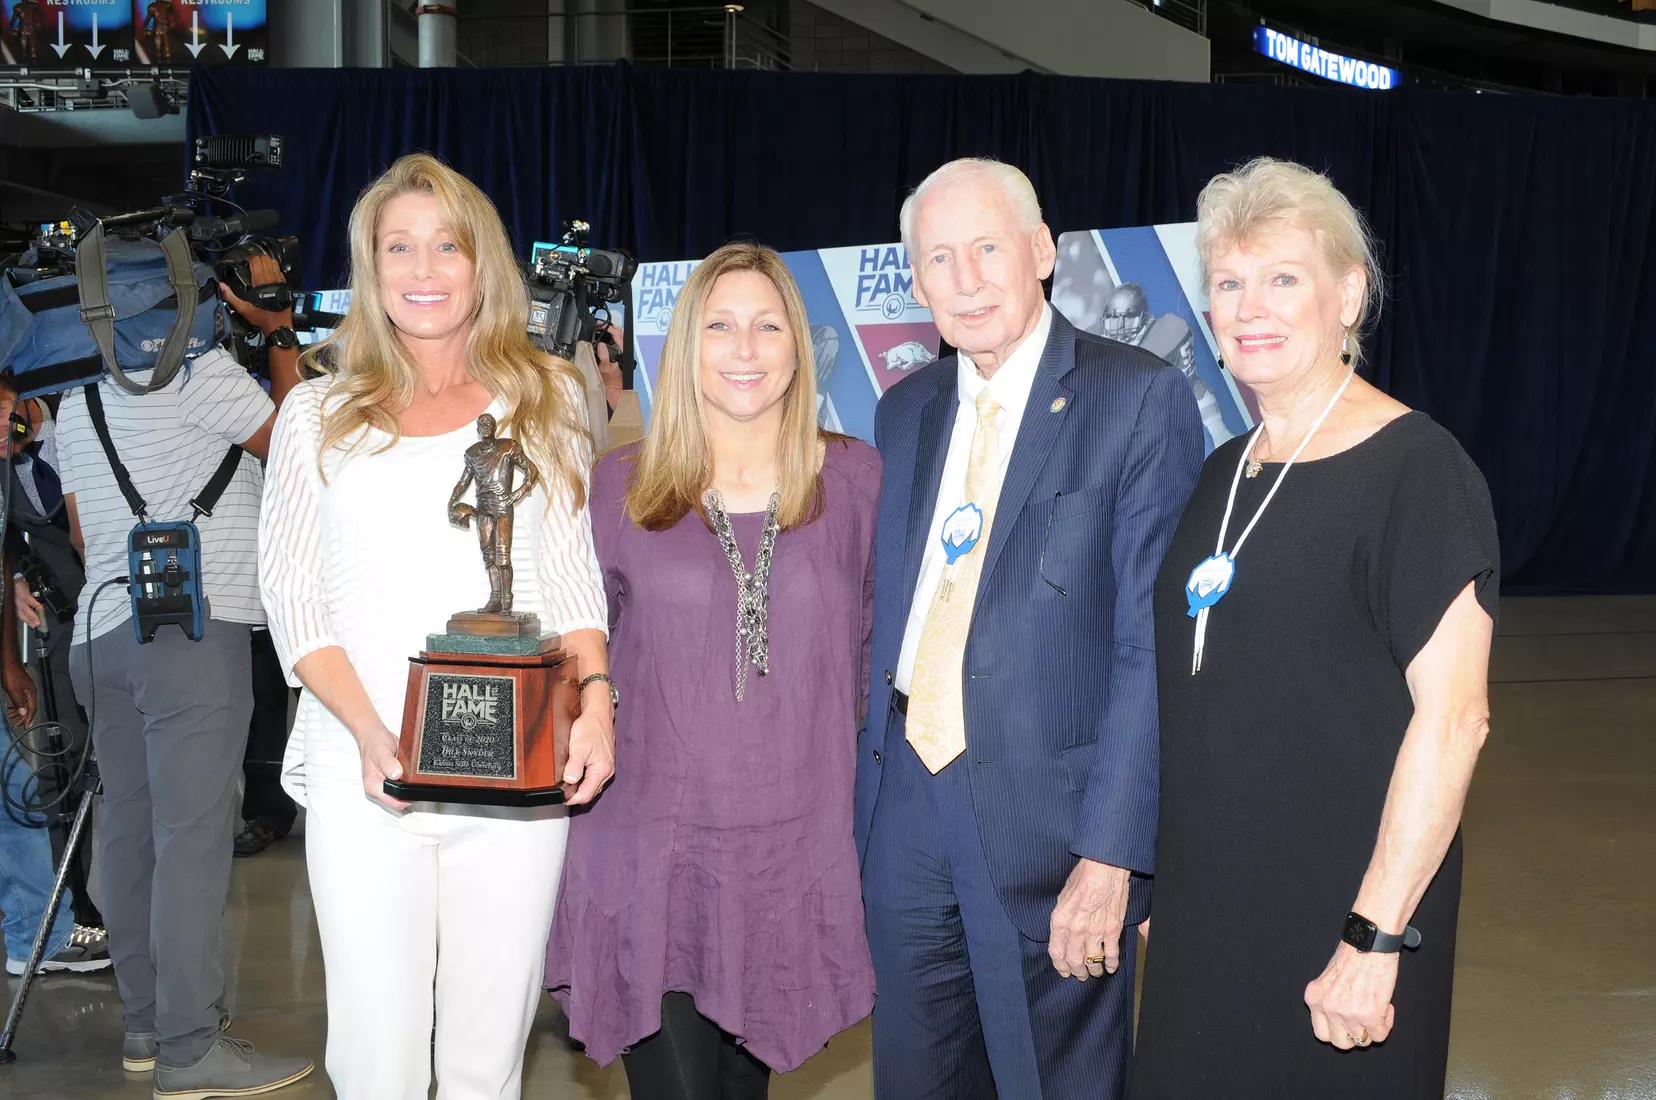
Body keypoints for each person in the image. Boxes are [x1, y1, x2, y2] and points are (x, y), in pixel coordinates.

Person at [1131, 158, 1499, 1100]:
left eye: (1283, 278)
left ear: (1349, 294)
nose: (1251, 306)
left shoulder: (1417, 471)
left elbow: (1454, 721)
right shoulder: (1222, 471)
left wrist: (1375, 936)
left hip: (1340, 923)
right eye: (1229, 282)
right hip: (1207, 922)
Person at [259, 152, 614, 1100]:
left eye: (446, 245)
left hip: (517, 776)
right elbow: (293, 598)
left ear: (481, 263)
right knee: (374, 1058)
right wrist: (374, 737)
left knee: (485, 1054)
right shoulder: (314, 413)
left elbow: (574, 580)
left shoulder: (547, 399)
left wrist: (598, 707)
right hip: (365, 774)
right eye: (398, 247)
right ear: (370, 271)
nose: (423, 269)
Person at [856, 157, 1203, 1099]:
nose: (965, 281)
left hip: (1054, 829)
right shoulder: (904, 412)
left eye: (987, 249)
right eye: (939, 259)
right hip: (906, 815)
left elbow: (1149, 649)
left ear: (1042, 251)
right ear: (915, 281)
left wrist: (1114, 855)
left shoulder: (1136, 399)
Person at [547, 243, 879, 1098]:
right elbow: (573, 655)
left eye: (768, 326)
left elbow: (878, 655)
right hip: (650, 850)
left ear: (799, 346)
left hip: (789, 855)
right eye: (720, 326)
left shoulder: (856, 481)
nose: (744, 348)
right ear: (685, 347)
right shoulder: (617, 490)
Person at [56, 248, 312, 1090]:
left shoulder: (74, 399)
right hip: (192, 637)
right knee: (192, 843)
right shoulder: (203, 379)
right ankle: (190, 1048)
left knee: (128, 836)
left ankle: (145, 1029)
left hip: (100, 637)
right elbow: (305, 452)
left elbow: (86, 537)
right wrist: (277, 332)